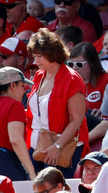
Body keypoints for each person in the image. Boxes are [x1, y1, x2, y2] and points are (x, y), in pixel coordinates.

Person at [26, 28, 88, 178]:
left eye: (40, 56)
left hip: (61, 147)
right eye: (34, 56)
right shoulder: (39, 76)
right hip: (36, 145)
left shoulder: (72, 79)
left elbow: (77, 120)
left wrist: (57, 146)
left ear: (53, 54)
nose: (36, 61)